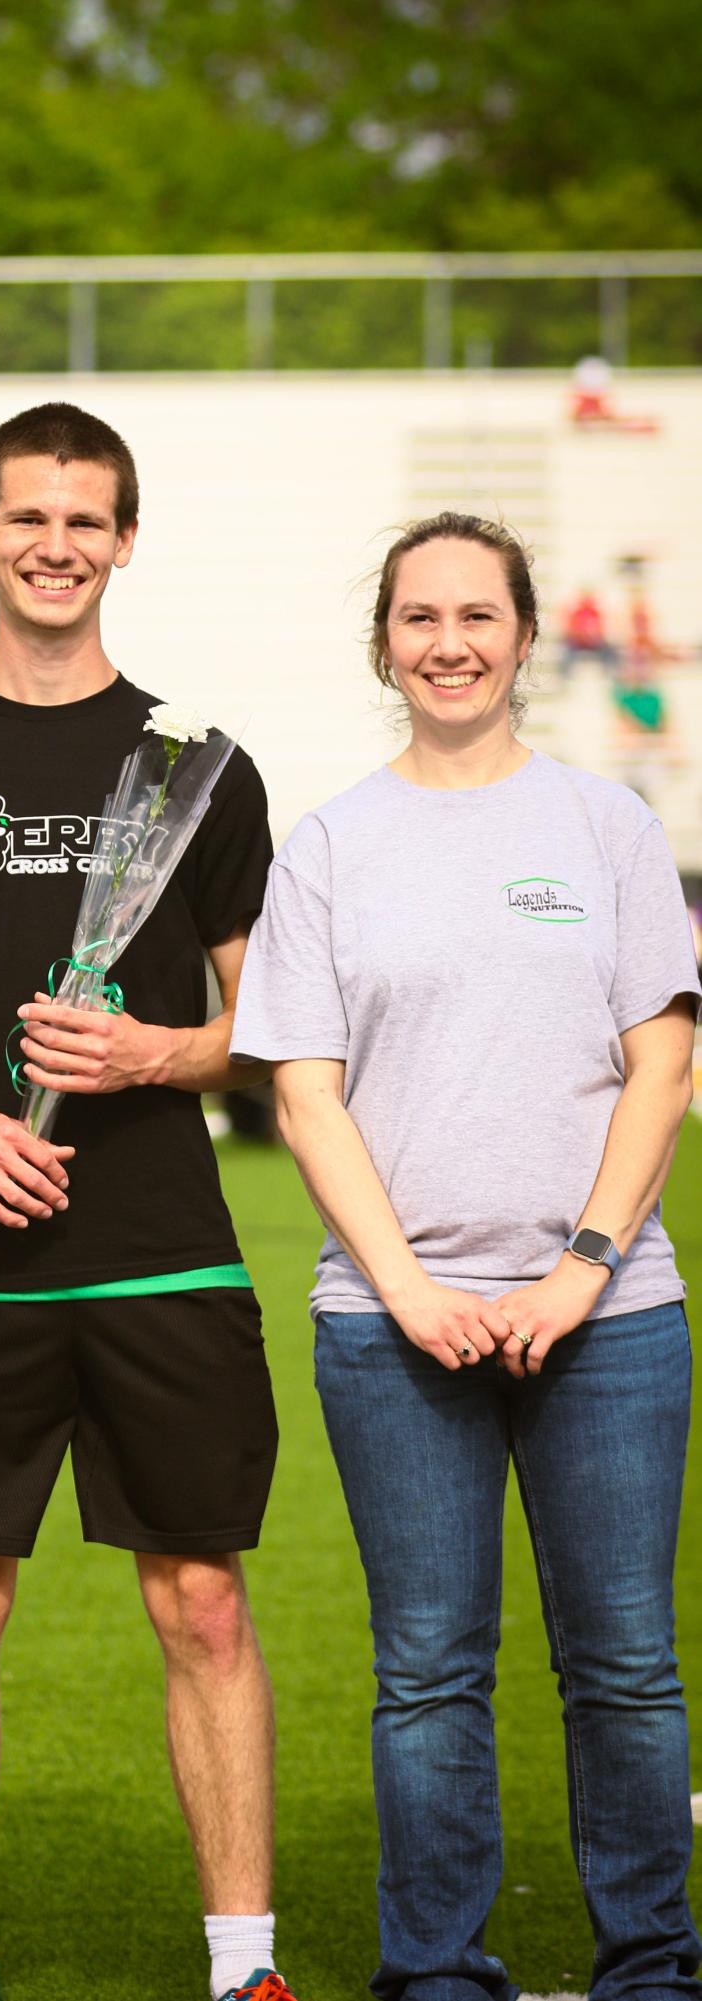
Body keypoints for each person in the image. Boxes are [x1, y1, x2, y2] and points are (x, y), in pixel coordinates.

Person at [0, 402, 296, 2001]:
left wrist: (156, 1053)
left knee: (204, 1599)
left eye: (87, 519)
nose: (56, 543)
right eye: (28, 515)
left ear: (126, 542)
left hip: (161, 1245)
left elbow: (271, 1032)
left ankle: (243, 1966)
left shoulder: (198, 768)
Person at [231, 511, 700, 2001]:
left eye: (475, 615)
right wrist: (410, 1290)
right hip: (389, 1325)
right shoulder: (329, 845)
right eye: (419, 617)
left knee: (621, 1664)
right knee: (428, 1672)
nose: (448, 641)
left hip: (608, 1317)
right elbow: (301, 1088)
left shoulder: (605, 824)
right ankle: (433, 1973)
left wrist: (575, 1267)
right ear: (385, 641)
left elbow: (662, 1063)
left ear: (519, 635)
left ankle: (648, 1965)